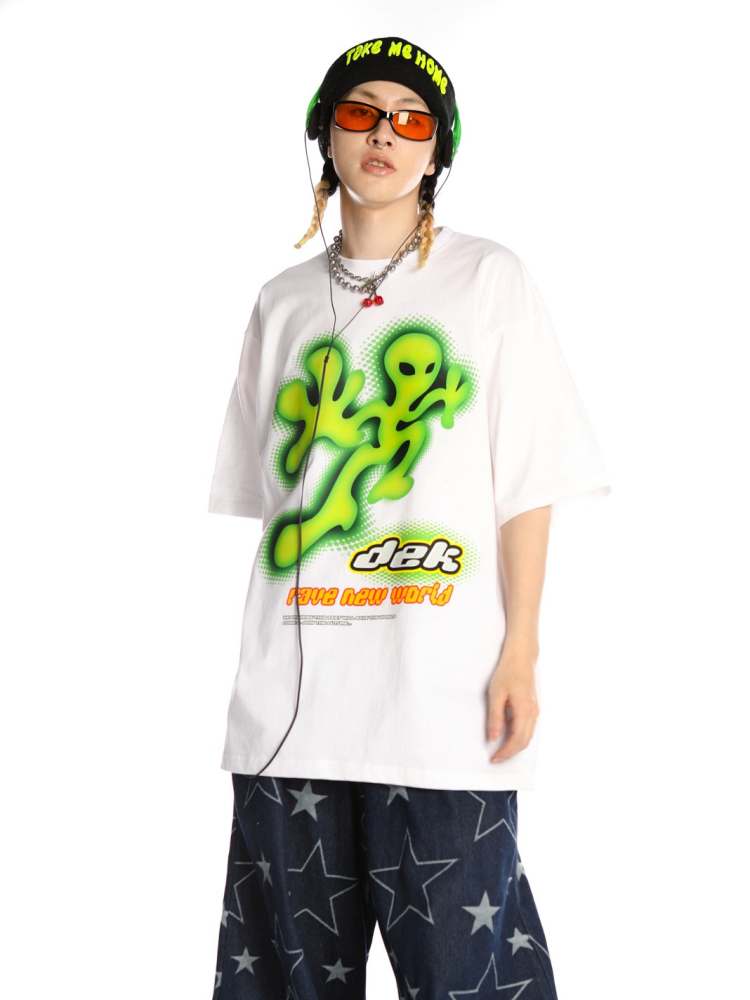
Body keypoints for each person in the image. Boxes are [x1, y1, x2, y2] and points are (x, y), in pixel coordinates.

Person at [207, 35, 611, 1000]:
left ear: (437, 152)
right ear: (325, 135)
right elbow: (273, 503)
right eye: (360, 113)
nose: (383, 134)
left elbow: (529, 481)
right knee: (285, 984)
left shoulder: (489, 280)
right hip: (289, 719)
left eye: (410, 120)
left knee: (472, 978)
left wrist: (521, 650)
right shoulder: (282, 302)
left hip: (439, 705)